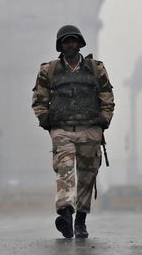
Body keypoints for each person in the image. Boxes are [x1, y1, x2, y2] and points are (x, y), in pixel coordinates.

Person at [32, 24, 115, 239]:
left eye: (73, 40)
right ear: (60, 45)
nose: (70, 44)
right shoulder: (48, 70)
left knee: (87, 177)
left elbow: (107, 95)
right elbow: (39, 100)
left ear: (80, 43)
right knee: (65, 171)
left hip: (90, 129)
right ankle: (66, 213)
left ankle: (81, 220)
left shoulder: (96, 68)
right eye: (66, 41)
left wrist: (104, 120)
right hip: (62, 130)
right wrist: (45, 120)